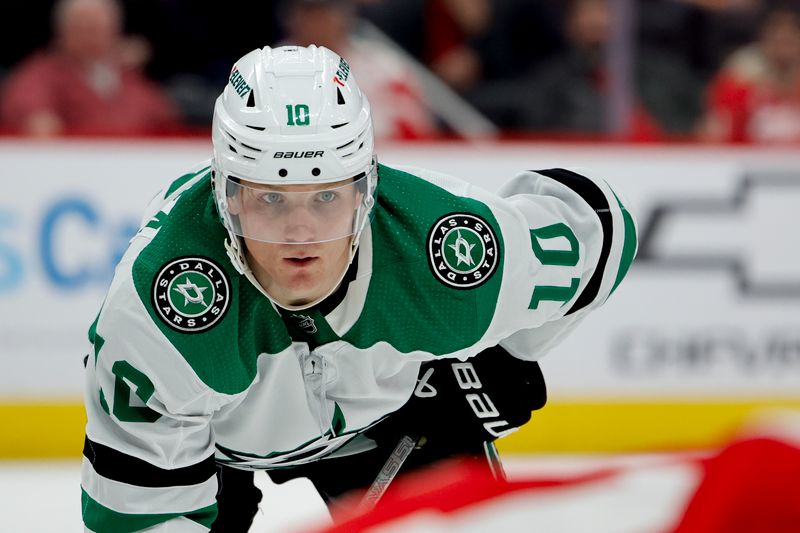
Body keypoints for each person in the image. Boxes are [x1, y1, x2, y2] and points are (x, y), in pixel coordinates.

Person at [80, 44, 637, 532]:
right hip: (208, 451)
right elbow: (138, 517)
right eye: (271, 199)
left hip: (393, 423)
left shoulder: (443, 250)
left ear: (365, 192)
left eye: (326, 197)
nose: (301, 235)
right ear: (226, 197)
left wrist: (501, 359)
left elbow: (601, 226)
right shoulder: (162, 314)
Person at [0, 0, 179, 137]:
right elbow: (29, 110)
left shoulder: (129, 78)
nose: (89, 38)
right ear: (62, 32)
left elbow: (165, 118)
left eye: (96, 29)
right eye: (81, 29)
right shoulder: (40, 74)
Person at [279, 0, 438, 140]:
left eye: (325, 13)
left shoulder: (382, 65)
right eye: (310, 15)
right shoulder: (271, 63)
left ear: (343, 16)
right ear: (293, 18)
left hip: (377, 156)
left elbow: (417, 126)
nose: (318, 23)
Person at [701, 3, 800, 143]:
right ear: (763, 35)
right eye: (776, 29)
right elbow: (712, 139)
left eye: (794, 30)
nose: (784, 36)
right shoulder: (737, 86)